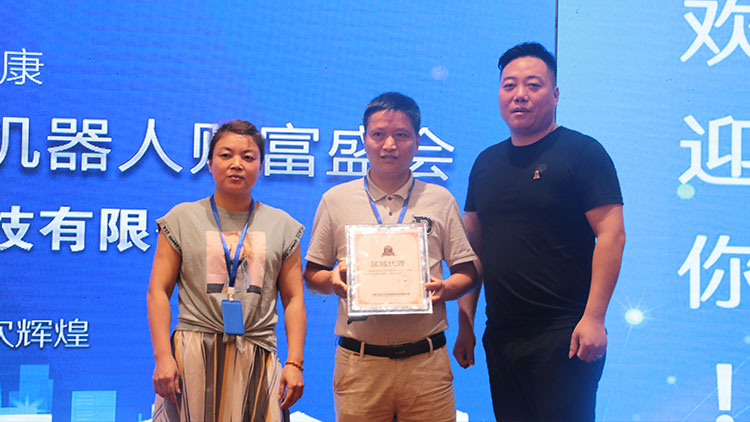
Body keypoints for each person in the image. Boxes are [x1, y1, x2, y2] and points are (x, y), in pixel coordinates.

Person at [453, 42, 626, 421]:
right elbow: (472, 251)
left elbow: (612, 235)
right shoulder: (485, 162)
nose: (520, 95)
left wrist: (594, 318)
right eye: (509, 85)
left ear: (555, 94)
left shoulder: (583, 153)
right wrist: (466, 323)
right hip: (501, 334)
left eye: (533, 85)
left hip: (566, 333)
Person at [304, 92, 477, 422]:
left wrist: (444, 289)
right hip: (360, 364)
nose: (389, 145)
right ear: (364, 139)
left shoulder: (440, 199)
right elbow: (312, 274)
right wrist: (333, 282)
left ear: (417, 141)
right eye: (378, 134)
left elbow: (467, 272)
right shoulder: (335, 200)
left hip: (426, 363)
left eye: (401, 135)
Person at [147, 120, 306, 421]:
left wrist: (294, 363)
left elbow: (294, 299)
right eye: (225, 155)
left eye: (248, 157)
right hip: (193, 354)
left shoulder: (283, 226)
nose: (237, 164)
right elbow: (157, 291)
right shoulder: (181, 219)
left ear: (261, 166)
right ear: (209, 164)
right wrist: (163, 357)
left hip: (258, 352)